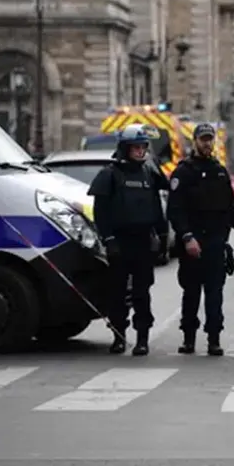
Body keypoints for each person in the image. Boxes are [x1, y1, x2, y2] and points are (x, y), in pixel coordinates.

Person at [167, 123, 234, 356]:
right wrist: (187, 237)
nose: (207, 143)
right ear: (195, 141)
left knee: (215, 294)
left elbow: (228, 207)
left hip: (215, 242)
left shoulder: (219, 172)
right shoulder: (184, 172)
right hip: (193, 243)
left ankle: (214, 338)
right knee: (191, 293)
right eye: (203, 139)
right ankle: (189, 338)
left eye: (210, 139)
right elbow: (175, 210)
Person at [87, 123, 169, 355]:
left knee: (142, 293)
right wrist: (109, 239)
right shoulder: (109, 174)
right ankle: (119, 336)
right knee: (118, 293)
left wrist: (162, 238)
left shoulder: (149, 173)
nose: (141, 151)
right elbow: (100, 212)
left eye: (143, 147)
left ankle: (142, 338)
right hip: (119, 242)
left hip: (143, 242)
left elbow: (157, 206)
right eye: (136, 148)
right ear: (125, 148)